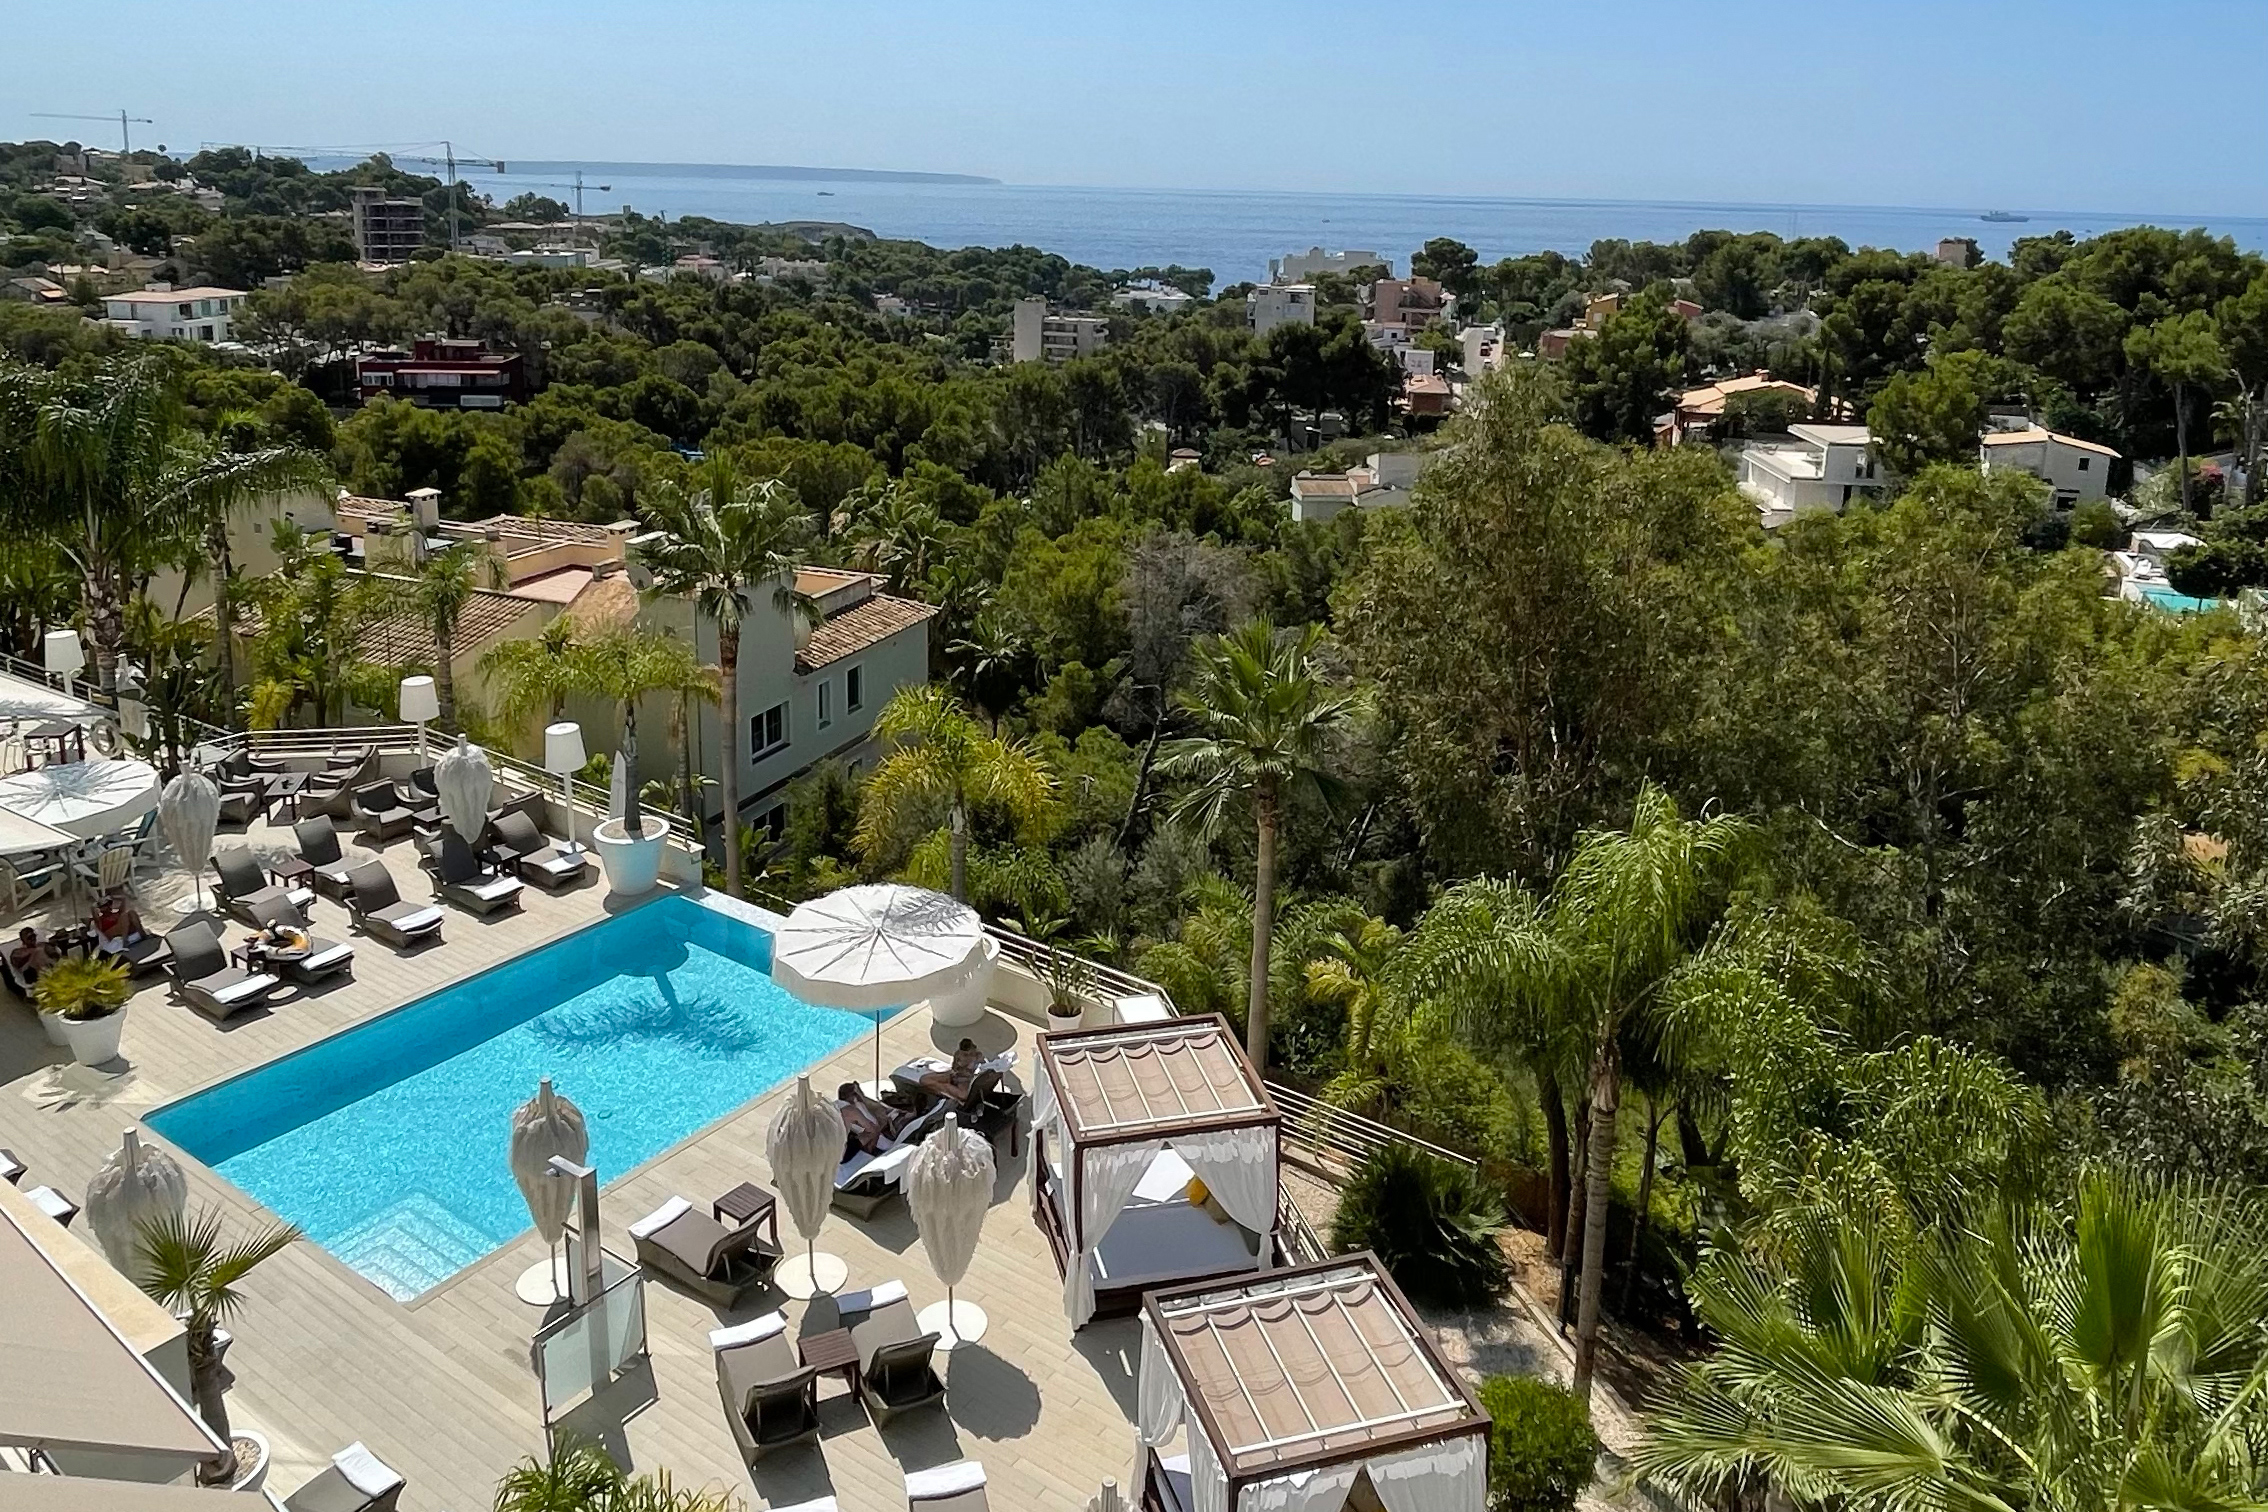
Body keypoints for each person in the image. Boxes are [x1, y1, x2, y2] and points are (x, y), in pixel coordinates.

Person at [839, 1081, 906, 1159]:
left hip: (877, 1129)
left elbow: (876, 1108)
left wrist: (862, 1096)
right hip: (867, 1137)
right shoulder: (851, 1111)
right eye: (855, 1094)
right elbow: (872, 1129)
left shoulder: (857, 1103)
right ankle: (871, 1151)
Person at [917, 1038, 985, 1104]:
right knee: (924, 1079)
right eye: (964, 1054)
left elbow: (982, 1068)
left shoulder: (978, 1056)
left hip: (966, 1080)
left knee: (963, 1095)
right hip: (954, 1075)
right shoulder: (958, 1054)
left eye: (968, 1054)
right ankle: (944, 1090)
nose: (967, 1056)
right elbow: (954, 1068)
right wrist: (957, 1070)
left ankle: (946, 1090)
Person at [91, 894, 145, 959]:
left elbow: (124, 899)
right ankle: (125, 941)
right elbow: (93, 911)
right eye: (104, 906)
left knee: (131, 912)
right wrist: (97, 903)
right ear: (100, 909)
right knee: (124, 916)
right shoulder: (100, 920)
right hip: (111, 932)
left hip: (123, 928)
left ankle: (142, 933)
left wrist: (112, 897)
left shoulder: (116, 913)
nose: (107, 907)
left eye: (108, 904)